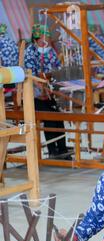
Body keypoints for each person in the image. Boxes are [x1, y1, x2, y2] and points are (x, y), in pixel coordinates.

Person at [24, 24, 70, 159]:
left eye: (47, 39)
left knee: (59, 119)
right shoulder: (29, 52)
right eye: (43, 40)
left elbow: (58, 69)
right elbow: (29, 75)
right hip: (35, 94)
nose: (46, 42)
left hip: (50, 91)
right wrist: (42, 87)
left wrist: (58, 84)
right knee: (50, 118)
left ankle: (62, 150)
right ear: (35, 40)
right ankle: (53, 151)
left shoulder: (50, 52)